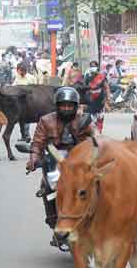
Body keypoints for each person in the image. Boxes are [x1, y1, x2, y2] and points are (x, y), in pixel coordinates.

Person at [26, 87, 92, 250]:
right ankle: (54, 222)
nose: (67, 108)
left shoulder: (83, 120)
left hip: (79, 160)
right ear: (57, 106)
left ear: (76, 106)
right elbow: (37, 143)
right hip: (54, 160)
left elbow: (96, 139)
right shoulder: (46, 121)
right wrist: (34, 158)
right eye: (63, 105)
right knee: (48, 191)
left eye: (70, 106)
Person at [85, 60, 108, 134]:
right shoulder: (87, 77)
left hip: (100, 100)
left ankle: (99, 132)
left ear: (97, 67)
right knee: (90, 118)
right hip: (91, 101)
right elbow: (85, 89)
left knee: (100, 118)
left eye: (94, 66)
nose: (93, 67)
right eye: (91, 66)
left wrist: (107, 99)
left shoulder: (102, 77)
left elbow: (107, 88)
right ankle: (93, 132)